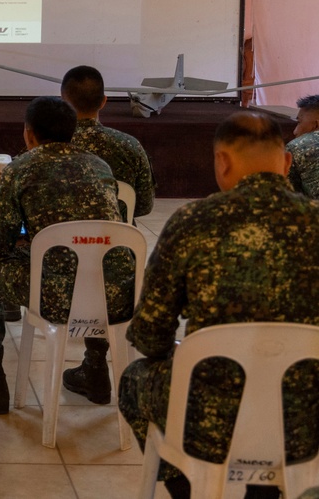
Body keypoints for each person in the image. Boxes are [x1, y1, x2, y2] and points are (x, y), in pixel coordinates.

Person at [119, 112, 319, 499]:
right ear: (287, 161)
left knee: (135, 379)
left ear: (222, 161)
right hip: (306, 423)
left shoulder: (193, 221)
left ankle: (192, 485)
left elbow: (149, 335)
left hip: (211, 421)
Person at [0, 96, 133, 414]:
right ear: (72, 132)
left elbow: (1, 246)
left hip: (58, 298)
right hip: (119, 295)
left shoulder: (20, 169)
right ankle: (95, 370)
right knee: (95, 266)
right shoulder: (100, 166)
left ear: (29, 133)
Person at [58, 64, 156, 403]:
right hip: (117, 268)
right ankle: (95, 361)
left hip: (57, 269)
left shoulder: (50, 149)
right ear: (104, 102)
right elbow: (142, 206)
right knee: (106, 251)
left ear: (62, 100)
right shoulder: (129, 146)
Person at [286, 93, 319, 199]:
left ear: (316, 125)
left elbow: (287, 196)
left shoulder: (297, 147)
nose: (295, 131)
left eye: (299, 122)